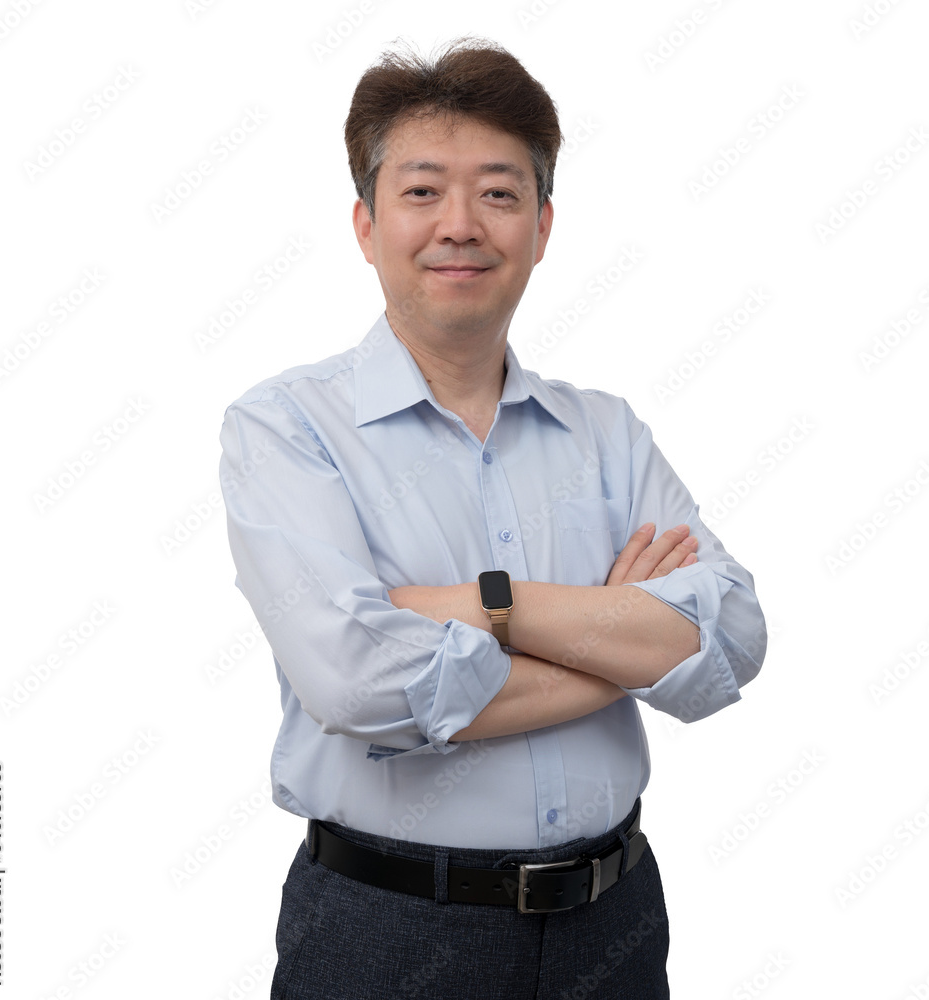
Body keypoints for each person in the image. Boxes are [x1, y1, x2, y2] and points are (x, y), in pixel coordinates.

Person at [219, 38, 765, 1000]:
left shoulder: (607, 433)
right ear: (366, 223)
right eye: (423, 191)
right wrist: (620, 645)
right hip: (387, 932)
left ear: (542, 227)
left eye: (500, 194)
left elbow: (731, 636)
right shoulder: (286, 429)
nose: (461, 225)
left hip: (615, 923)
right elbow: (356, 683)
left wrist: (477, 607)